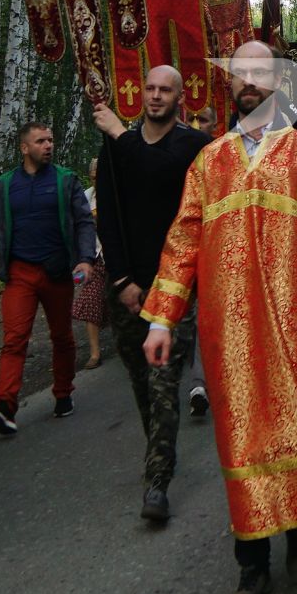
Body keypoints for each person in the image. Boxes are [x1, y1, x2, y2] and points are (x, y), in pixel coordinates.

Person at [140, 41, 297, 594]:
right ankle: (251, 565)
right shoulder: (210, 161)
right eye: (240, 73)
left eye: (260, 72)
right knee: (240, 439)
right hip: (229, 334)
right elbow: (182, 243)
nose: (249, 81)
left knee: (294, 427)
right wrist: (162, 318)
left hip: (295, 325)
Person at [92, 65, 213, 523]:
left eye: (166, 90)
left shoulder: (193, 148)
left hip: (175, 287)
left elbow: (159, 171)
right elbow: (107, 218)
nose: (156, 96)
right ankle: (156, 452)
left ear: (181, 98)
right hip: (127, 285)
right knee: (143, 385)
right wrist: (121, 280)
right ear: (139, 93)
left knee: (164, 384)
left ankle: (157, 481)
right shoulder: (114, 149)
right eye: (150, 88)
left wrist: (121, 135)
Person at [0, 122, 97, 435]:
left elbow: (85, 221)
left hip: (57, 271)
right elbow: (0, 227)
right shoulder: (5, 185)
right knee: (14, 338)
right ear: (24, 148)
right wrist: (2, 266)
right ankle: (5, 404)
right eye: (40, 141)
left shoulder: (65, 180)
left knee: (61, 336)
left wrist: (85, 259)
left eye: (50, 139)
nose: (48, 145)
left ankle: (63, 393)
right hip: (20, 272)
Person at [73, 159, 106, 370]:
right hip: (95, 257)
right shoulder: (86, 197)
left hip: (118, 257)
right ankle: (95, 352)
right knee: (91, 298)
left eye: (99, 172)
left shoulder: (117, 194)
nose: (95, 176)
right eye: (93, 172)